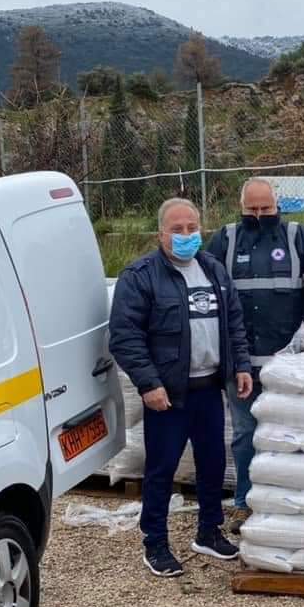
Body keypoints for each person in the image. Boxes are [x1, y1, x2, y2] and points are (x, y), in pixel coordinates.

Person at [109, 197, 254, 577]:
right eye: (177, 229)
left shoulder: (213, 270)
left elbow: (233, 322)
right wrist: (149, 384)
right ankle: (155, 543)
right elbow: (125, 337)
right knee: (161, 470)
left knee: (212, 464)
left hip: (208, 390)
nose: (186, 235)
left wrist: (240, 365)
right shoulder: (140, 276)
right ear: (161, 234)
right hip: (168, 396)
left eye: (192, 228)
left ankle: (209, 532)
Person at [206, 178, 304, 532]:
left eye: (265, 208)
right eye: (252, 209)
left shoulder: (298, 238)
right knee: (246, 435)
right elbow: (204, 291)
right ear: (241, 207)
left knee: (292, 434)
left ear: (277, 205)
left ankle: (293, 504)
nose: (259, 214)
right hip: (241, 366)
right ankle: (248, 504)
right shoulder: (225, 241)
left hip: (288, 365)